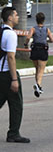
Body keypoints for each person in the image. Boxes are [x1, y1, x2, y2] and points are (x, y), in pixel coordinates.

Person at [0, 7, 29, 143]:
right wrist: (14, 79)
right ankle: (13, 133)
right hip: (7, 74)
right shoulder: (11, 34)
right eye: (16, 15)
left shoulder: (1, 31)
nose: (18, 17)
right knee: (16, 104)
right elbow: (11, 57)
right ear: (10, 18)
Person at [24, 12, 53, 98]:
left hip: (34, 49)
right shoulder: (46, 29)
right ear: (43, 20)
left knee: (37, 68)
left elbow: (28, 37)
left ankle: (38, 87)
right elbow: (52, 40)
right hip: (43, 50)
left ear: (36, 20)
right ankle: (38, 85)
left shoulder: (33, 29)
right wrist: (45, 41)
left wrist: (26, 45)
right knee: (41, 70)